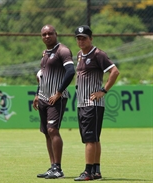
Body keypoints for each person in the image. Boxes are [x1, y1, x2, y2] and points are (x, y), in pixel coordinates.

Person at [73, 25, 120, 181]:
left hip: (91, 103)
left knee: (90, 139)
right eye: (78, 38)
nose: (81, 41)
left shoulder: (98, 54)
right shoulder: (80, 54)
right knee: (94, 138)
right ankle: (96, 171)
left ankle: (87, 172)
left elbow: (115, 71)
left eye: (84, 38)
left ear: (91, 39)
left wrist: (103, 91)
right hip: (82, 102)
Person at [32, 24, 75, 179]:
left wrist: (58, 92)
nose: (47, 36)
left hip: (56, 98)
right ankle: (52, 167)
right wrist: (37, 94)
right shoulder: (46, 53)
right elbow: (42, 75)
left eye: (50, 33)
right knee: (46, 133)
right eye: (44, 34)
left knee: (52, 130)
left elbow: (70, 71)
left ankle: (58, 168)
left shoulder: (62, 51)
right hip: (43, 97)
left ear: (56, 34)